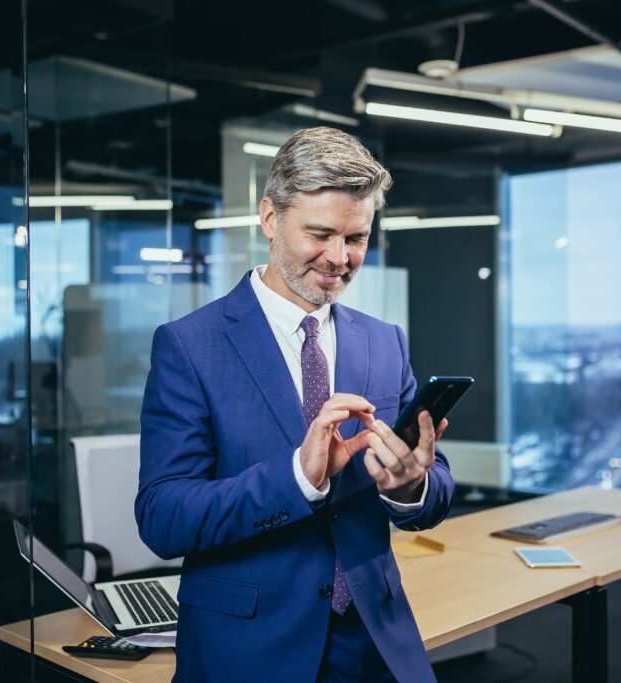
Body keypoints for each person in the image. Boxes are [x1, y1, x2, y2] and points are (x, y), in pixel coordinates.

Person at [136, 127, 455, 682]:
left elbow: (436, 487)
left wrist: (409, 486)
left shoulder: (385, 341)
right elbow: (163, 518)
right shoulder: (190, 345)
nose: (339, 258)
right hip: (249, 649)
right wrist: (297, 478)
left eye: (356, 238)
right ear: (269, 218)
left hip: (375, 644)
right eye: (320, 233)